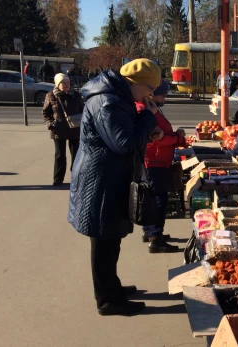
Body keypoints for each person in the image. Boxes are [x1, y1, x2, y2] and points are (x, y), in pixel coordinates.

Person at [68, 58, 164, 316]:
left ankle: (113, 287)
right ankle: (108, 300)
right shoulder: (108, 101)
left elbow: (124, 135)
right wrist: (146, 117)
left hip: (109, 178)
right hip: (100, 182)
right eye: (148, 89)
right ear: (135, 83)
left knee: (112, 239)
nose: (150, 94)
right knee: (104, 241)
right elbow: (123, 144)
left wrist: (146, 126)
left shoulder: (116, 97)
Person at [136, 79, 185, 252]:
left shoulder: (150, 108)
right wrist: (178, 138)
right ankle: (155, 238)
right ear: (151, 93)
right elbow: (158, 139)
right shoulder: (147, 110)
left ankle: (149, 231)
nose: (164, 97)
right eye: (162, 94)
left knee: (151, 198)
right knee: (158, 200)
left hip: (154, 160)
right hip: (154, 162)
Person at [42, 73, 83, 186]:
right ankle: (58, 179)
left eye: (68, 82)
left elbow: (83, 111)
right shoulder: (51, 95)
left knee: (76, 156)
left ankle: (76, 178)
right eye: (63, 83)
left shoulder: (76, 95)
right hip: (58, 130)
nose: (66, 84)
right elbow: (46, 113)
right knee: (60, 155)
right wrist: (50, 123)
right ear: (58, 84)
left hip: (74, 129)